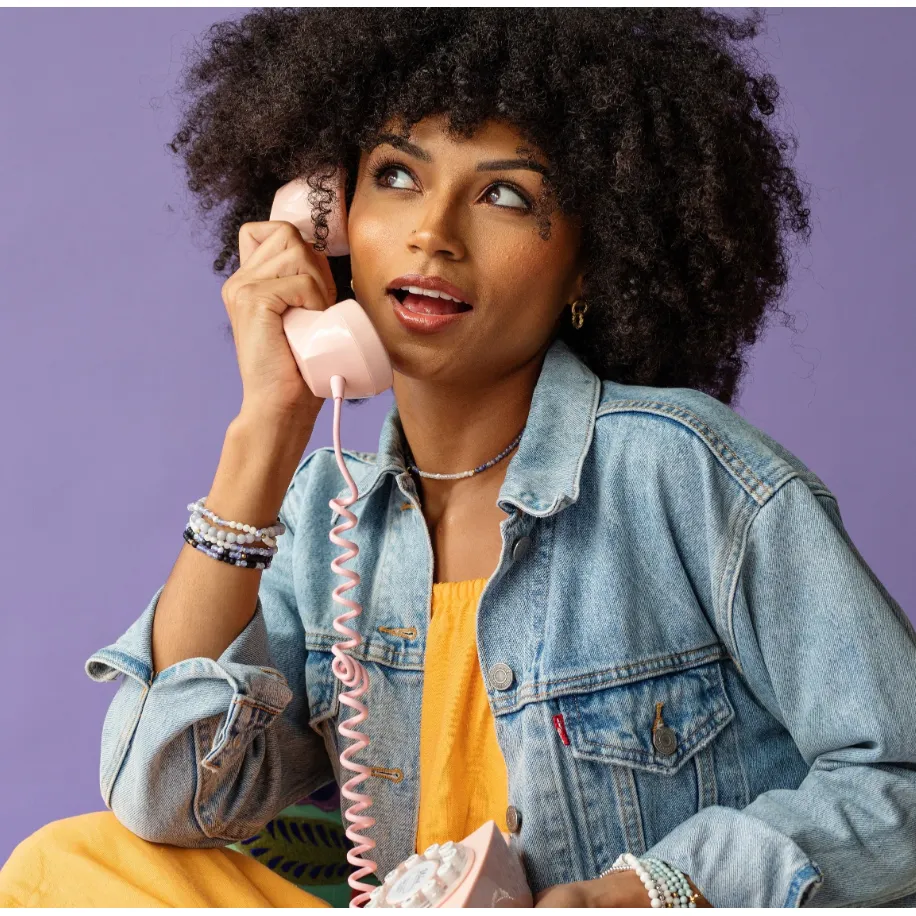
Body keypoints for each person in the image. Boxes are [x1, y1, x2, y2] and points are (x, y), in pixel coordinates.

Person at [3, 7, 916, 909]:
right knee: (67, 866)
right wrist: (266, 428)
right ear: (328, 224)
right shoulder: (327, 519)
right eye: (396, 176)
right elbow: (160, 794)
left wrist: (651, 894)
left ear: (595, 260)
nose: (433, 232)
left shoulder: (688, 474)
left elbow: (901, 779)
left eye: (505, 194)